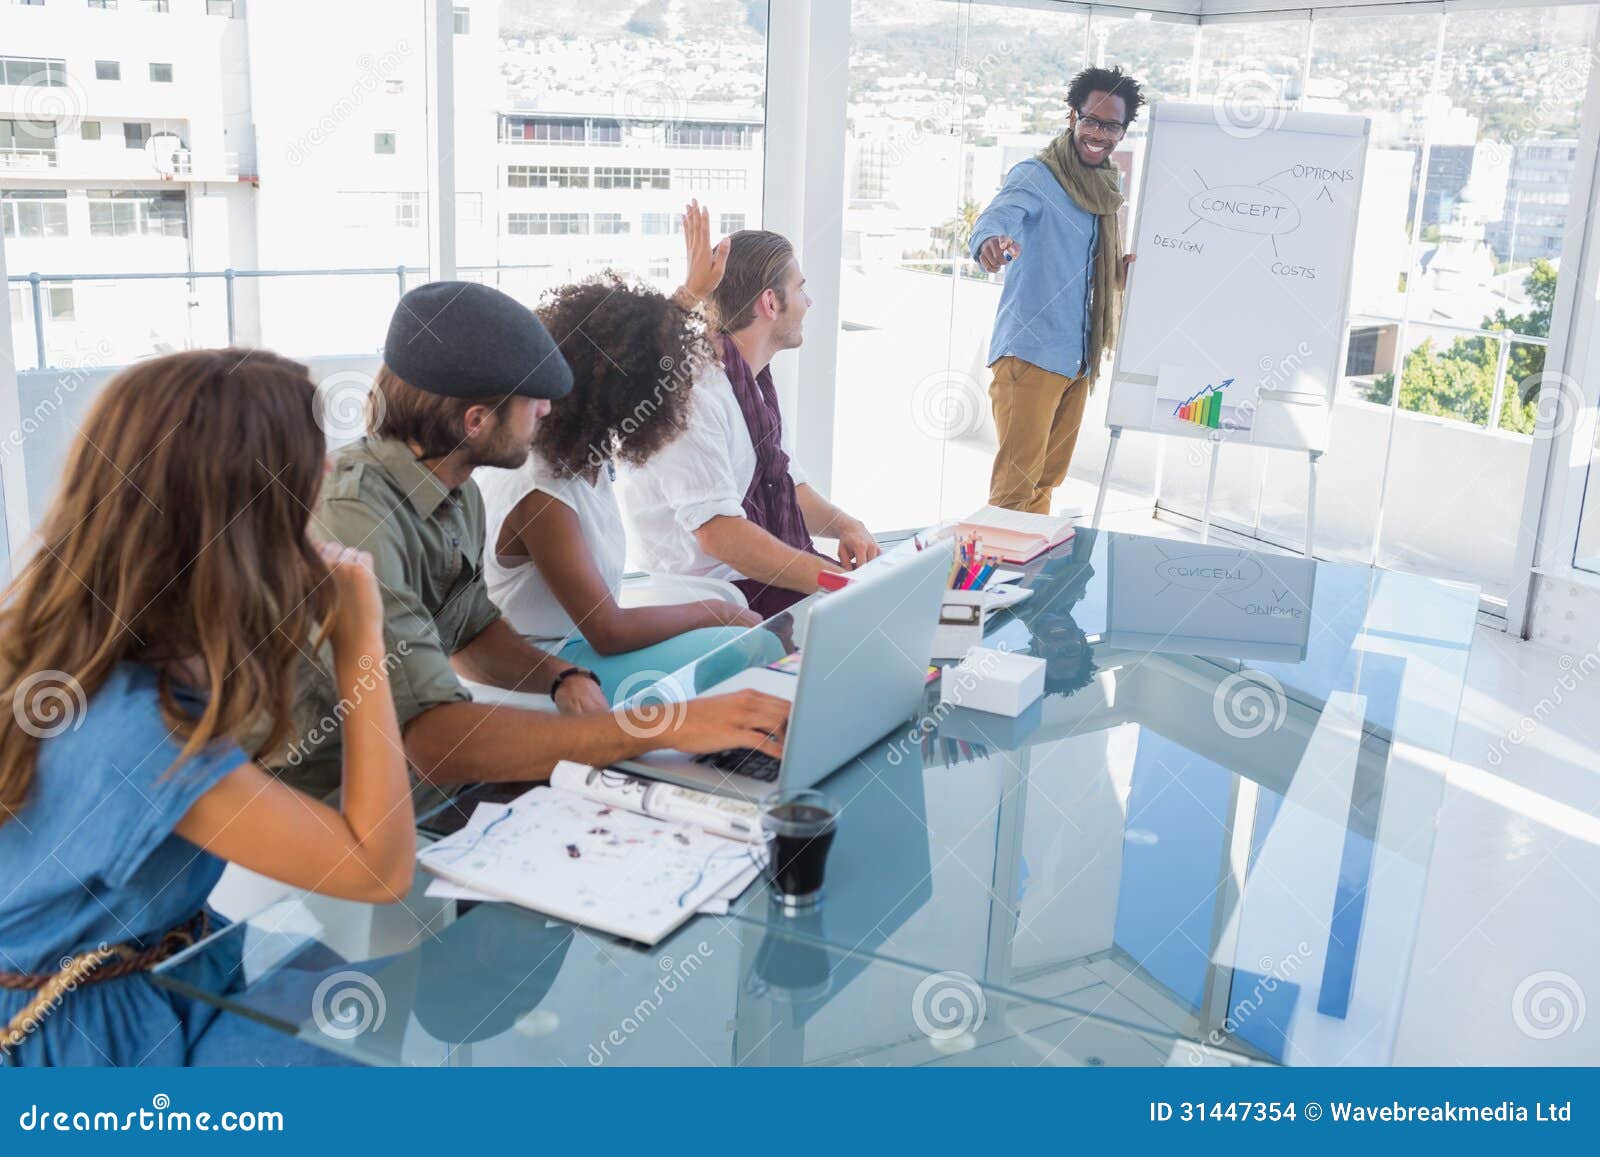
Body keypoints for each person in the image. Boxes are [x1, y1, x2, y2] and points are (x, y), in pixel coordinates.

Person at [0, 349, 412, 1067]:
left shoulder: (81, 647)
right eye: (306, 484)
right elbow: (378, 869)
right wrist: (362, 641)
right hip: (87, 1029)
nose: (326, 486)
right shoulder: (137, 736)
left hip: (168, 955)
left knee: (370, 998)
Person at [278, 280, 790, 802]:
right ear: (476, 421)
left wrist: (560, 675)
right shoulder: (359, 519)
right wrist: (653, 727)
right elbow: (430, 741)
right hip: (353, 800)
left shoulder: (455, 491)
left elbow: (472, 634)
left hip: (432, 774)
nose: (548, 410)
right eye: (535, 399)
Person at [477, 273, 763, 703]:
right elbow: (608, 631)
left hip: (576, 643)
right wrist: (715, 612)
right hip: (546, 669)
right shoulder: (542, 491)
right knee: (753, 646)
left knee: (743, 636)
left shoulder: (578, 449)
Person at [624, 210, 880, 617]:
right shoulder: (695, 395)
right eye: (801, 289)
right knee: (870, 614)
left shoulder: (754, 388)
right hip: (713, 595)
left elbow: (788, 486)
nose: (809, 302)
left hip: (745, 583)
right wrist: (836, 581)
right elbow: (720, 534)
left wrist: (846, 525)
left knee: (880, 607)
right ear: (771, 301)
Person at [970, 65, 1143, 515]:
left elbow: (1087, 271)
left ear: (1122, 132)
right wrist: (990, 243)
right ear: (1072, 116)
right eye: (1092, 120)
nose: (1099, 133)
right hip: (1031, 353)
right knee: (1015, 487)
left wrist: (1120, 273)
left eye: (1112, 126)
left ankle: (1026, 581)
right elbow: (997, 218)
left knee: (1046, 482)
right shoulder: (1037, 175)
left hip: (1078, 358)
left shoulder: (1104, 189)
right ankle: (983, 584)